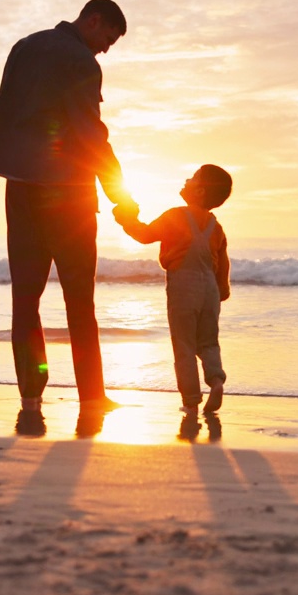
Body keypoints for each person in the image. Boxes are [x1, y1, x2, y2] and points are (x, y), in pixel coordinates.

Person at [0, 0, 136, 422]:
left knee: (25, 297)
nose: (106, 49)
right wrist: (118, 191)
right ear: (94, 20)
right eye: (108, 38)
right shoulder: (82, 63)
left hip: (20, 187)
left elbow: (8, 115)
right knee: (79, 298)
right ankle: (91, 397)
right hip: (67, 192)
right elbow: (90, 133)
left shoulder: (24, 47)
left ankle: (31, 397)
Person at [112, 165, 232, 417]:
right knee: (208, 341)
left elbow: (144, 235)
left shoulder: (176, 216)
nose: (187, 180)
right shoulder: (216, 226)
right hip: (209, 288)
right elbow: (223, 262)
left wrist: (125, 219)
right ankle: (216, 381)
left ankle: (190, 401)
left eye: (193, 178)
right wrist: (222, 289)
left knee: (184, 344)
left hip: (183, 285)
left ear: (199, 191)